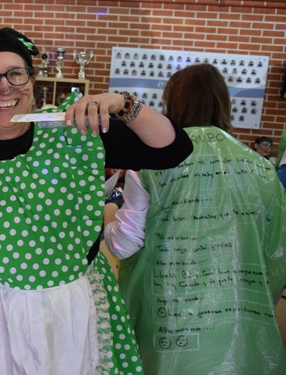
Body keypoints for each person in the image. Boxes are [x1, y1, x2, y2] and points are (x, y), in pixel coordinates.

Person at [0, 27, 194, 374]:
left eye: (16, 74)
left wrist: (122, 103)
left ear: (32, 80)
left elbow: (173, 150)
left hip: (80, 310)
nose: (4, 87)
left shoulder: (75, 133)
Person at [104, 63, 286, 374]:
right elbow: (276, 252)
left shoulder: (150, 163)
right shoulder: (261, 168)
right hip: (239, 325)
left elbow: (125, 244)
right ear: (223, 103)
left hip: (166, 323)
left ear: (172, 103)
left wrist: (109, 216)